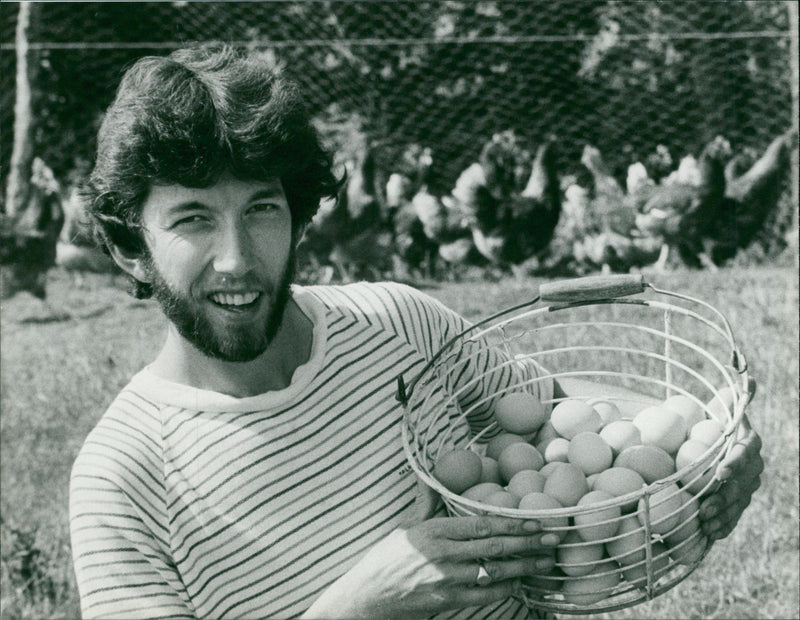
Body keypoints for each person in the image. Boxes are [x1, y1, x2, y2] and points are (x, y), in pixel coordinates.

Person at [70, 45, 763, 620]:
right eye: (192, 219)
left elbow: (560, 412)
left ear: (301, 218)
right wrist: (358, 608)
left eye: (261, 209)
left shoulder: (395, 324)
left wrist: (701, 455)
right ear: (132, 246)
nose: (237, 257)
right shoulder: (123, 480)